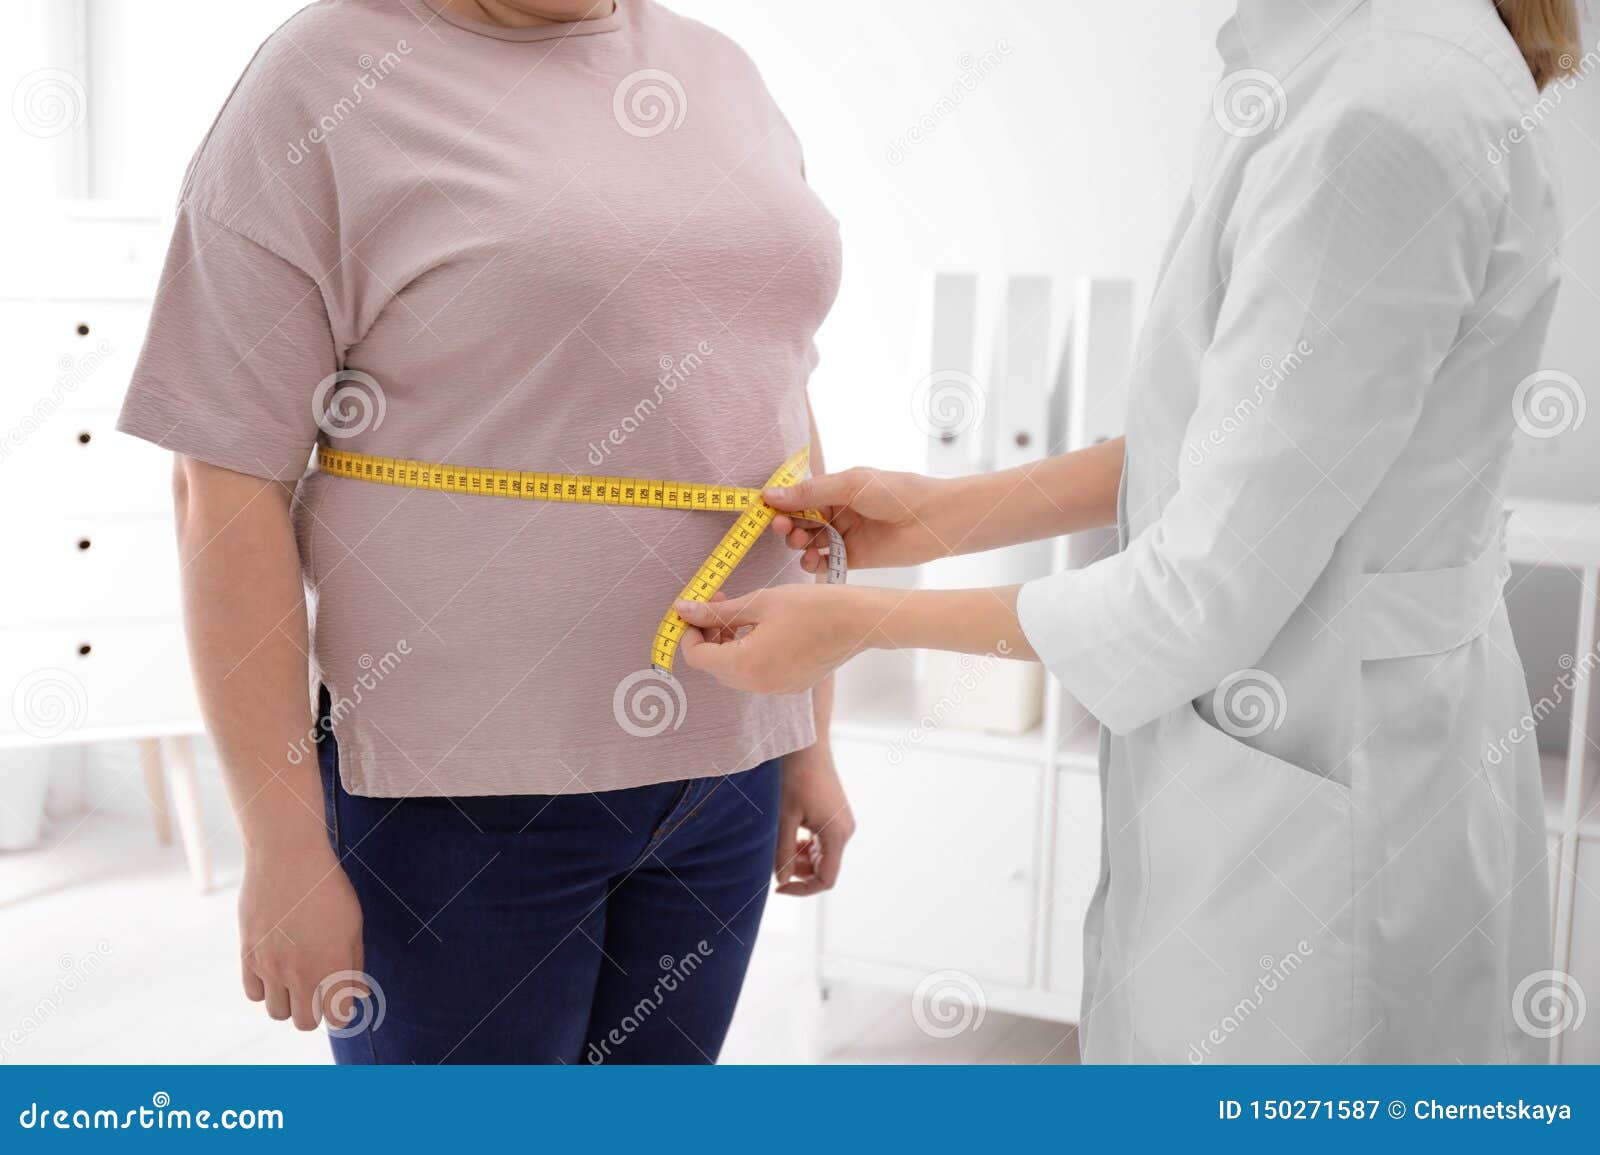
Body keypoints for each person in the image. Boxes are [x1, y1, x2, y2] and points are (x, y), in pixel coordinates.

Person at [675, 0, 1582, 1063]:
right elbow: (1234, 445)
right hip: (1331, 745)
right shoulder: (1346, 61)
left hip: (1338, 792)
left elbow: (1201, 591)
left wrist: (861, 626)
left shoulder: (1379, 109)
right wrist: (939, 515)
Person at [117, 0, 851, 1064]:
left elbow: (772, 404)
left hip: (727, 769)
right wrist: (280, 842)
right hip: (456, 795)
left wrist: (808, 742)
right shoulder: (322, 80)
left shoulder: (718, 69)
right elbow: (222, 483)